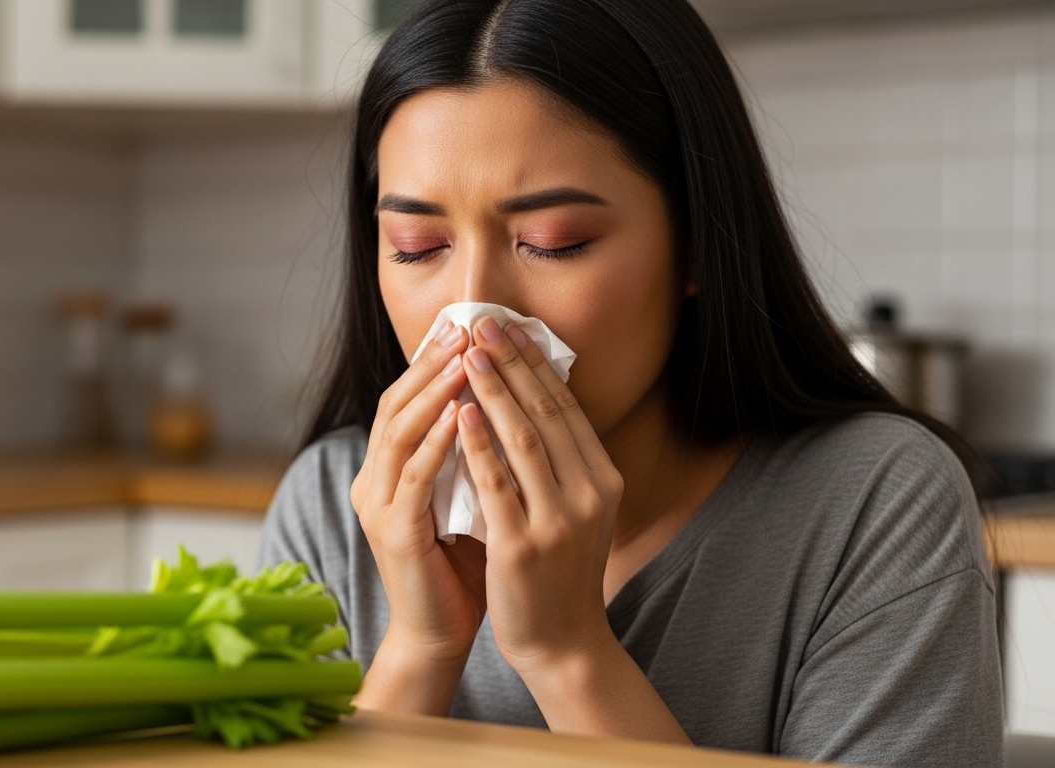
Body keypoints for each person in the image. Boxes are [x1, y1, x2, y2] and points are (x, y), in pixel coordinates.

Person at [257, 1, 1003, 765]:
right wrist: (420, 647)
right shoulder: (330, 507)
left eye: (555, 243)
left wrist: (567, 653)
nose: (474, 316)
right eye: (418, 248)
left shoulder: (874, 504)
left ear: (696, 247)